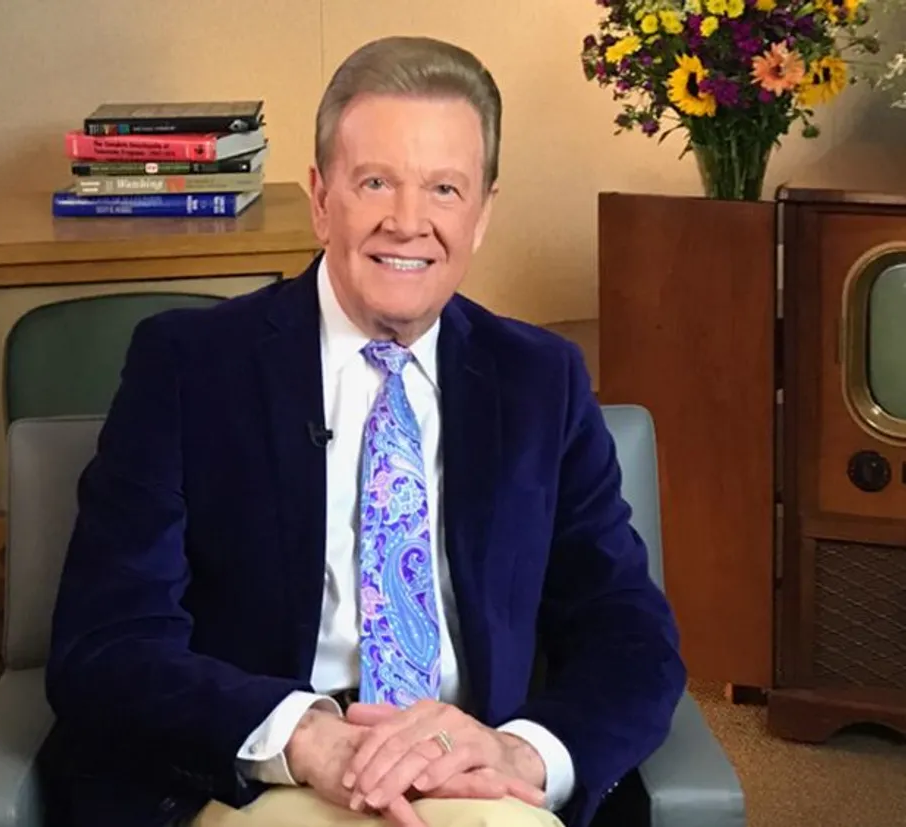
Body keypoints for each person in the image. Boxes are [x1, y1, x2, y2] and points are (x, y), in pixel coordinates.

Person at [41, 34, 686, 827]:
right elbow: (107, 642)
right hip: (264, 774)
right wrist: (307, 737)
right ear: (320, 197)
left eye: (444, 189)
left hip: (472, 770)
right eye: (375, 181)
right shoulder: (186, 366)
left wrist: (521, 751)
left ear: (483, 212)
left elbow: (630, 634)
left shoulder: (541, 379)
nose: (408, 223)